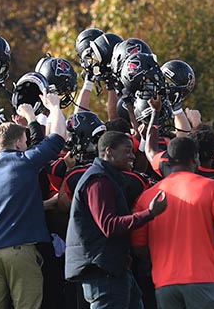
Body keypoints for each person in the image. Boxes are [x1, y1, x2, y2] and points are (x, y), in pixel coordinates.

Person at [0, 89, 66, 309]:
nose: (27, 145)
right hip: (19, 250)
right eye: (25, 142)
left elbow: (8, 205)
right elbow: (58, 138)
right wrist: (54, 106)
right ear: (18, 143)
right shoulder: (24, 161)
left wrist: (45, 204)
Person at [131, 136, 214, 309]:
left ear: (169, 161)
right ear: (195, 158)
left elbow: (139, 244)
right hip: (205, 277)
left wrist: (160, 258)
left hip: (165, 281)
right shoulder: (212, 187)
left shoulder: (148, 196)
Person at [65, 131, 166, 309]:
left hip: (113, 268)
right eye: (127, 150)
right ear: (109, 151)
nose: (132, 155)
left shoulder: (107, 177)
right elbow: (109, 226)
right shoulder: (98, 181)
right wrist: (149, 213)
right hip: (102, 270)